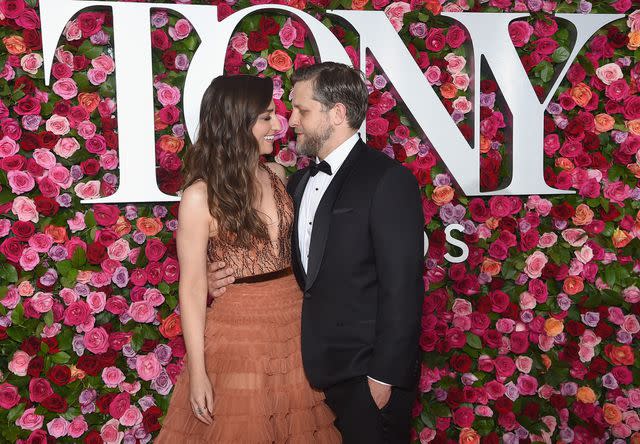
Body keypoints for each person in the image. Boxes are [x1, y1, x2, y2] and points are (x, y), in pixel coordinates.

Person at [210, 62, 425, 443]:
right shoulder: (295, 182)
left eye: (301, 110)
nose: (289, 121)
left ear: (337, 113)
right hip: (308, 373)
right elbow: (284, 261)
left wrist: (383, 376)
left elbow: (402, 288)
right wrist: (223, 276)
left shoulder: (388, 180)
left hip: (367, 375)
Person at [155, 75, 341, 443]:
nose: (278, 126)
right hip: (239, 333)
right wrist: (198, 373)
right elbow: (191, 288)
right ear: (237, 122)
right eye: (266, 117)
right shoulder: (198, 197)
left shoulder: (277, 174)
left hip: (296, 323)